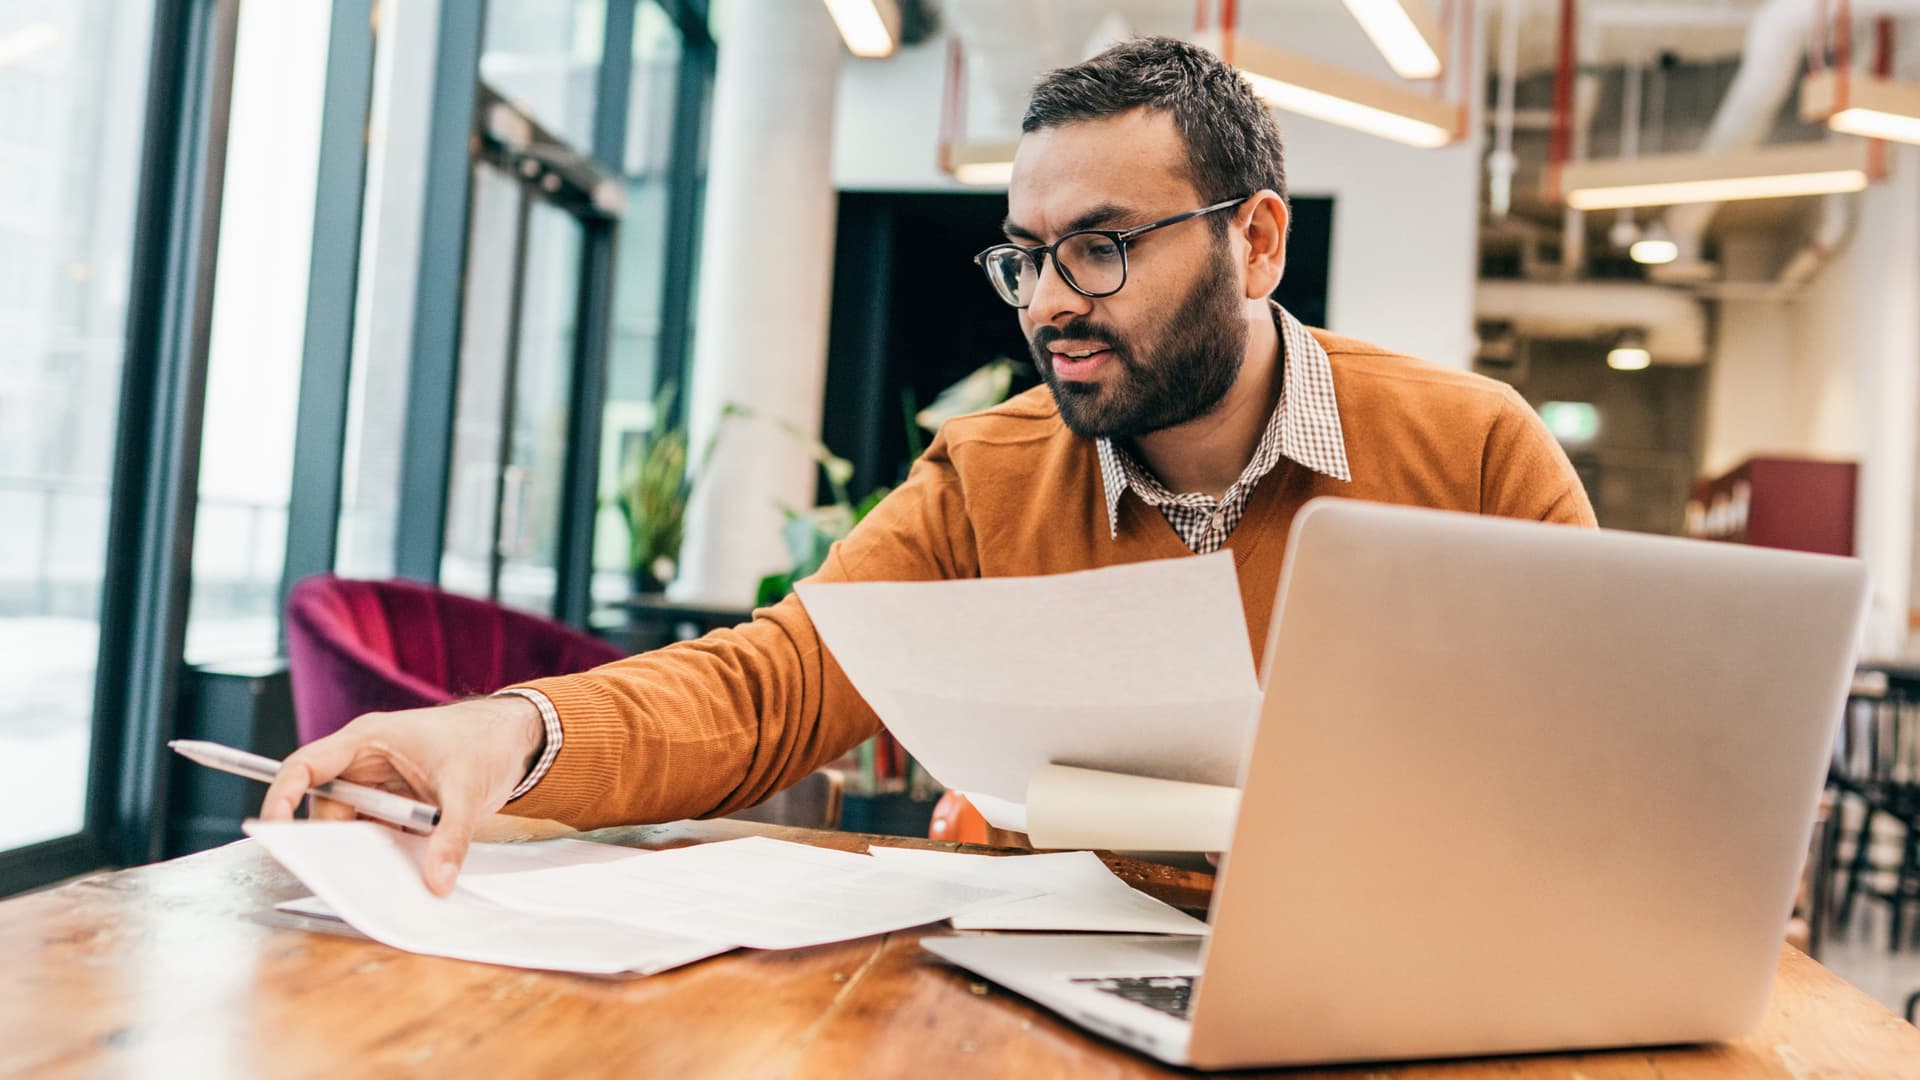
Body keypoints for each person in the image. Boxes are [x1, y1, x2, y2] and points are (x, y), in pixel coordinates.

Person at [262, 37, 1595, 894]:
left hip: (1392, 989)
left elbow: (1595, 778)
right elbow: (774, 684)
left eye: (1104, 245)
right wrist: (513, 728)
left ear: (1255, 244)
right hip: (1069, 987)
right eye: (1028, 252)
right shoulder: (988, 475)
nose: (1050, 302)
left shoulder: (1473, 452)